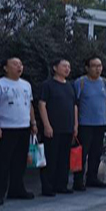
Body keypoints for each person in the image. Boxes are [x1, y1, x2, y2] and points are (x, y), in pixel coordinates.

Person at [0, 57, 37, 205]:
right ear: (5, 67)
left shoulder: (26, 84)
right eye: (15, 64)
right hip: (6, 128)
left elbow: (29, 105)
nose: (19, 67)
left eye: (21, 64)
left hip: (23, 126)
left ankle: (17, 189)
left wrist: (33, 123)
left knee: (20, 161)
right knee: (2, 162)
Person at [37, 59, 78, 196]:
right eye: (64, 66)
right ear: (55, 68)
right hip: (52, 128)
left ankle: (62, 185)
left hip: (67, 127)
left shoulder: (70, 86)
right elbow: (42, 105)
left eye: (69, 66)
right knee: (50, 158)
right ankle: (48, 187)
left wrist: (75, 125)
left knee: (64, 158)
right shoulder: (47, 85)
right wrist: (46, 125)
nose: (67, 69)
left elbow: (74, 106)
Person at [73, 56, 106, 190]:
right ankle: (78, 180)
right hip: (85, 124)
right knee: (82, 154)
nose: (97, 69)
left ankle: (92, 178)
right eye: (94, 66)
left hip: (100, 123)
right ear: (87, 68)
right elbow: (75, 103)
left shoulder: (104, 82)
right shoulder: (81, 82)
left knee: (96, 152)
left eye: (99, 66)